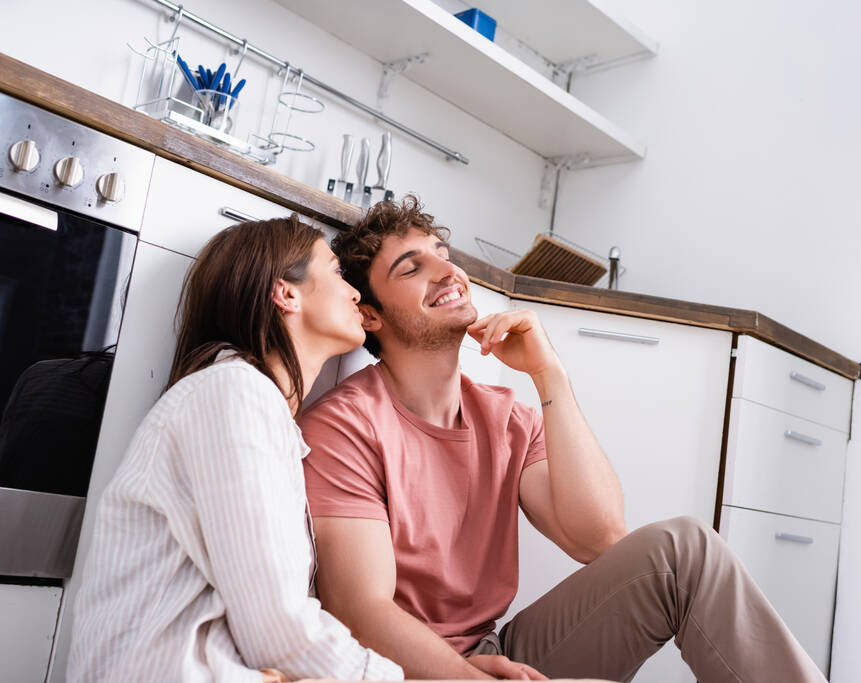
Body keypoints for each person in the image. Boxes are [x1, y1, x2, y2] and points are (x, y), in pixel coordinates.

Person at [299, 196, 827, 683]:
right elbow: (361, 613)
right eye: (411, 268)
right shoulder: (346, 426)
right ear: (370, 314)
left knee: (683, 551)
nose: (446, 270)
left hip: (495, 652)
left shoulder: (504, 416)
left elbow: (597, 537)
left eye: (442, 253)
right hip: (403, 672)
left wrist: (550, 375)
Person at [68, 217, 403, 682]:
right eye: (337, 273)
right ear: (286, 293)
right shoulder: (233, 394)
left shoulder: (259, 410)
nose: (353, 293)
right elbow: (278, 630)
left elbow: (270, 630)